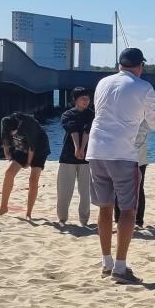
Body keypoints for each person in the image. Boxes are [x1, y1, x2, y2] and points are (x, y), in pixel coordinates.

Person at [86, 47, 155, 284]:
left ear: (120, 64)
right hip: (123, 152)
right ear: (140, 66)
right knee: (128, 209)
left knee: (104, 207)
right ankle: (120, 267)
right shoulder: (144, 87)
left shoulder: (102, 82)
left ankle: (106, 262)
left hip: (96, 150)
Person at [0, 112, 50, 218]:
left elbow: (32, 147)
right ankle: (3, 207)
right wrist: (7, 154)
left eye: (14, 132)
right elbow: (5, 140)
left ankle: (28, 213)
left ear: (18, 126)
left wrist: (28, 163)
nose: (12, 134)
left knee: (33, 180)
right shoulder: (5, 121)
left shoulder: (28, 124)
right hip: (21, 147)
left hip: (39, 148)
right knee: (8, 173)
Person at [56, 87, 95, 225]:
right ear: (75, 100)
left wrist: (82, 149)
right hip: (67, 155)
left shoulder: (92, 114)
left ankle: (84, 220)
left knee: (85, 191)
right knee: (64, 190)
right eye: (83, 98)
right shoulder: (67, 114)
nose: (86, 101)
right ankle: (62, 218)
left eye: (88, 98)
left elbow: (87, 131)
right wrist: (77, 148)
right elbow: (72, 130)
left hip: (87, 157)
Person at [116, 120, 150, 227]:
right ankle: (118, 219)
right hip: (121, 158)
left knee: (139, 189)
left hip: (139, 159)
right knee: (119, 188)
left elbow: (142, 135)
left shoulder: (143, 118)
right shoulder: (121, 114)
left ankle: (139, 220)